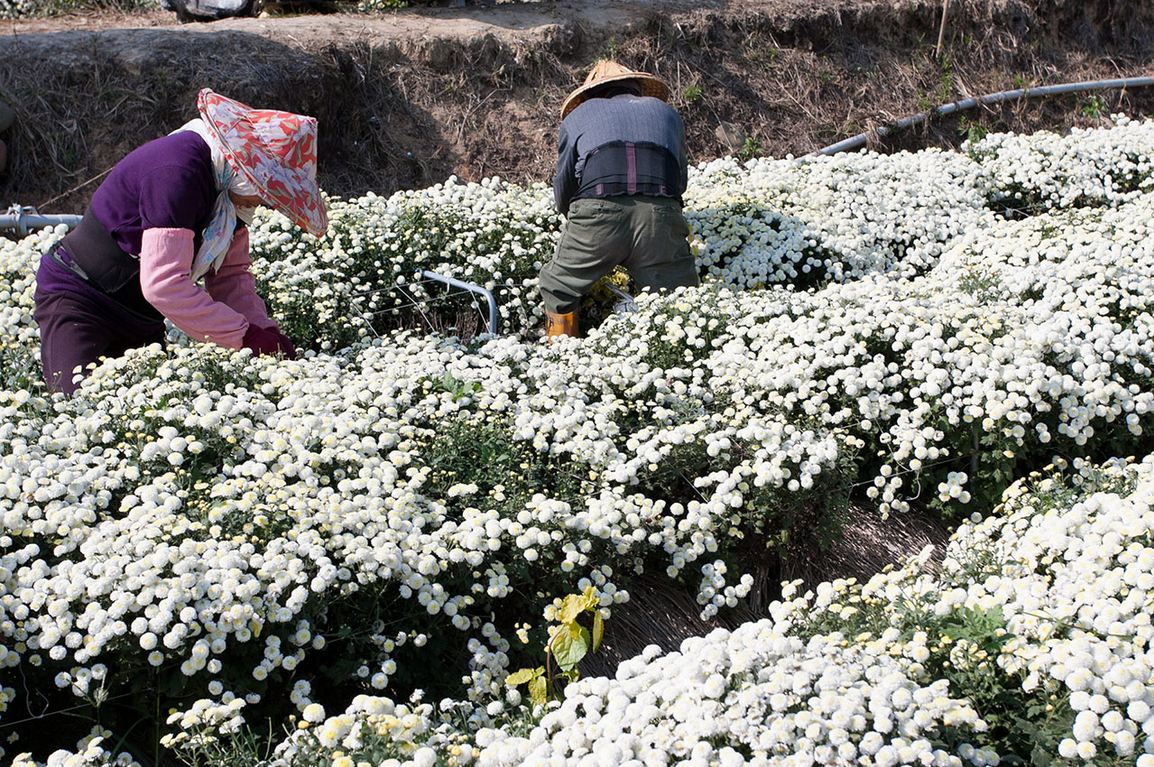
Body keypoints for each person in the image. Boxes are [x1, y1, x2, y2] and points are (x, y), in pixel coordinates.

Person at [33, 88, 327, 395]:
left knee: (147, 418)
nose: (267, 203)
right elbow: (164, 284)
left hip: (142, 314)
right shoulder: (177, 171)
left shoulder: (230, 196)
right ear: (247, 171)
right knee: (77, 406)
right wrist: (243, 337)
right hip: (81, 298)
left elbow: (230, 276)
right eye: (269, 192)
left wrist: (264, 332)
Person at [538, 60, 700, 338]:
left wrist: (579, 223)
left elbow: (564, 182)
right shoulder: (668, 114)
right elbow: (679, 180)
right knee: (678, 298)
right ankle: (679, 353)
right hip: (659, 214)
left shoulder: (579, 116)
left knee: (558, 285)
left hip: (597, 213)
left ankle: (562, 357)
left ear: (592, 94)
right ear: (637, 88)